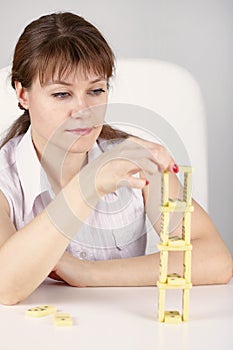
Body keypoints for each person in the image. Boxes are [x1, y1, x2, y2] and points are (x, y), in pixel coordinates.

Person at [0, 12, 232, 305]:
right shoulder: (5, 179)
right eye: (61, 94)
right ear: (23, 94)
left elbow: (215, 259)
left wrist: (90, 274)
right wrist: (89, 184)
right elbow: (5, 285)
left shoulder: (132, 160)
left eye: (96, 90)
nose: (83, 110)